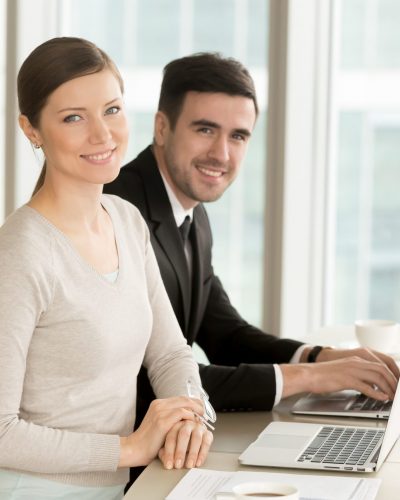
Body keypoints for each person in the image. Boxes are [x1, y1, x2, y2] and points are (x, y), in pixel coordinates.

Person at [104, 52, 399, 419]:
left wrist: (320, 356)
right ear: (162, 127)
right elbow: (147, 380)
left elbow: (226, 335)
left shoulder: (191, 213)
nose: (221, 154)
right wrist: (308, 376)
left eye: (239, 136)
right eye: (206, 129)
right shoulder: (115, 212)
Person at [0, 38, 212, 500]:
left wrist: (193, 415)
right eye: (74, 117)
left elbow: (171, 354)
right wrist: (131, 447)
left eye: (112, 110)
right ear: (31, 130)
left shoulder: (126, 220)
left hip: (120, 489)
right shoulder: (22, 252)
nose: (103, 135)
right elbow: (0, 431)